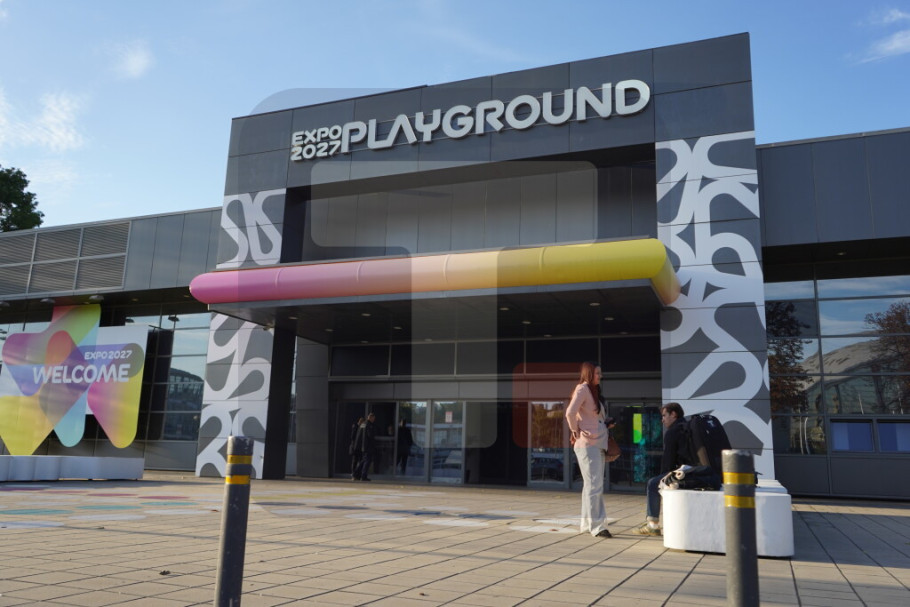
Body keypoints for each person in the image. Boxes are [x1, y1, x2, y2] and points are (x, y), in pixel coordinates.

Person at [565, 361, 612, 539]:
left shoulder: (594, 392)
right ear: (589, 374)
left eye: (600, 373)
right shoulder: (582, 389)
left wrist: (606, 423)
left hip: (597, 442)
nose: (600, 376)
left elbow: (593, 418)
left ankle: (587, 524)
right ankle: (597, 526)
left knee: (591, 485)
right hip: (587, 443)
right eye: (597, 373)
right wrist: (575, 430)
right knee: (594, 485)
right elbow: (570, 413)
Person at [635, 402, 692, 536]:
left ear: (674, 414)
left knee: (653, 484)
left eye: (664, 415)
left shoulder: (673, 431)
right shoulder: (688, 427)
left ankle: (652, 525)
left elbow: (668, 459)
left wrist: (663, 477)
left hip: (682, 473)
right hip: (695, 471)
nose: (662, 420)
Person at [353, 412, 377, 481]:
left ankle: (356, 474)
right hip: (368, 446)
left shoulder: (363, 424)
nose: (374, 420)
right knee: (367, 461)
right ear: (370, 417)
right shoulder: (369, 425)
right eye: (373, 418)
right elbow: (370, 435)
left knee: (364, 460)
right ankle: (363, 476)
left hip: (362, 446)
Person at [350, 416, 364, 480]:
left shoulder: (361, 428)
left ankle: (358, 474)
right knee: (355, 461)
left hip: (360, 447)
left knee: (360, 461)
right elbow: (352, 436)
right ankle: (354, 474)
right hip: (355, 447)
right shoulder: (355, 426)